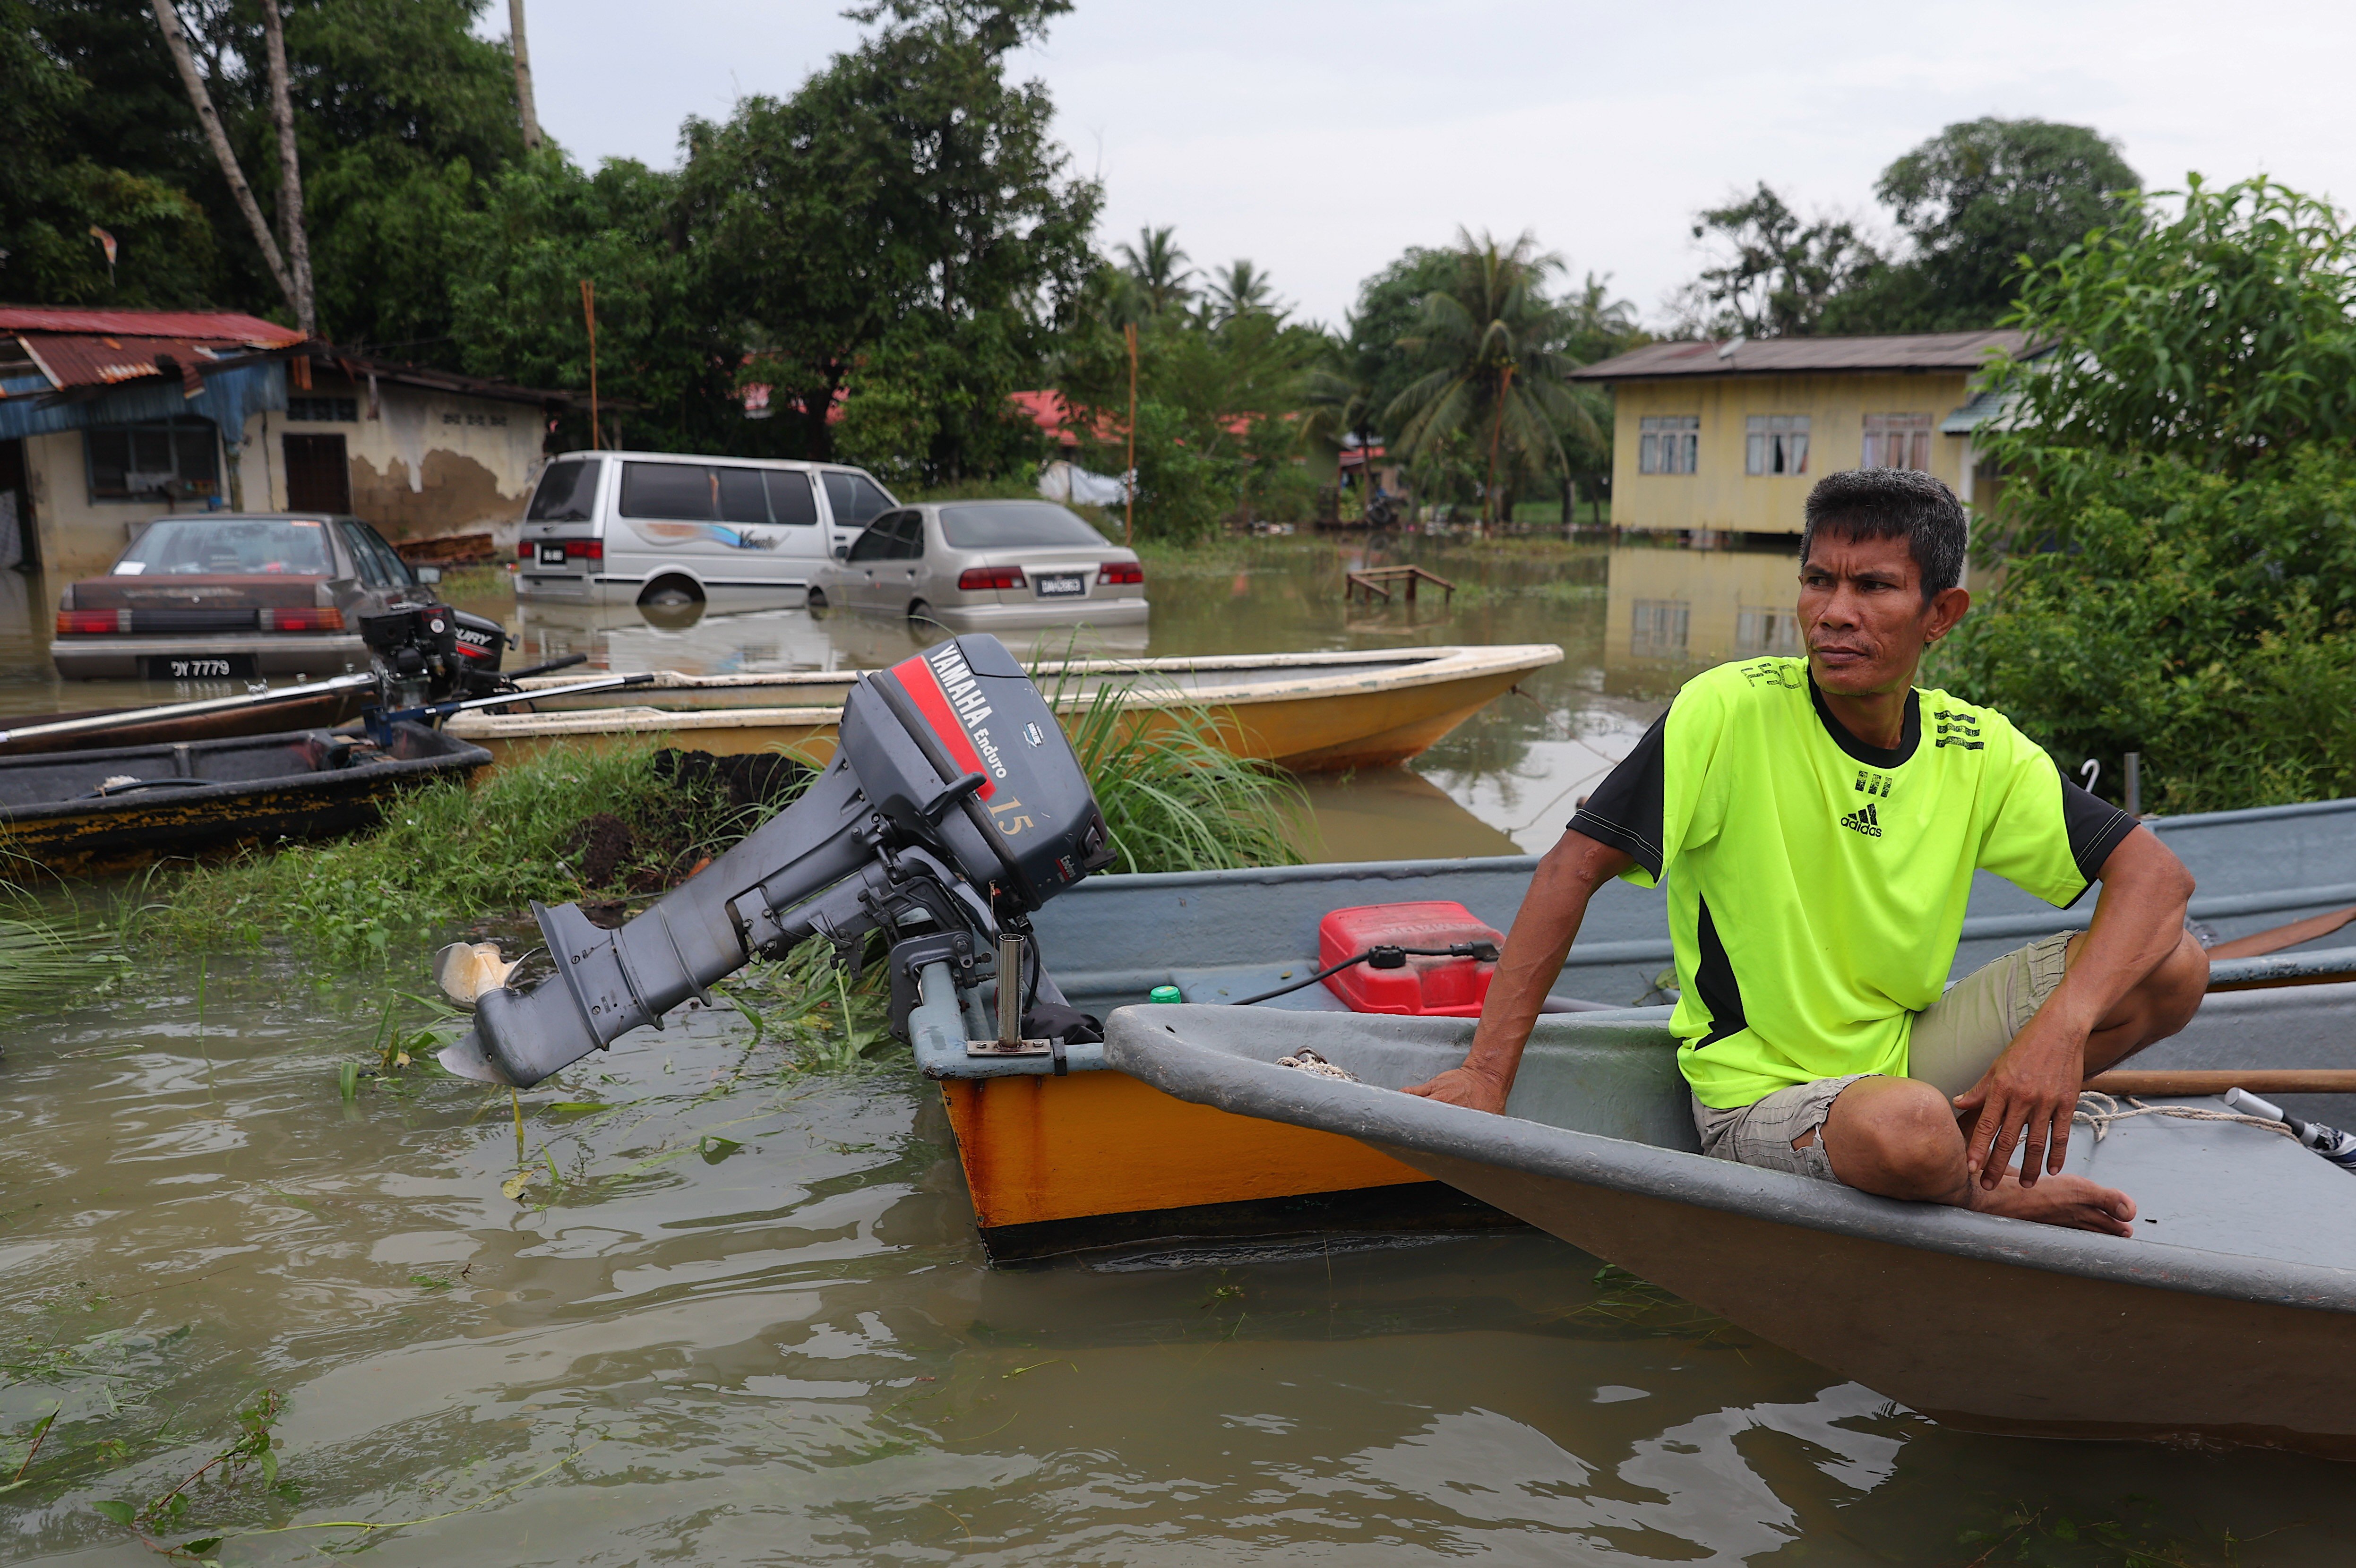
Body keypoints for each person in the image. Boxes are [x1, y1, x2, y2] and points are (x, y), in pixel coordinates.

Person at [1404, 468, 2207, 1235]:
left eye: (1873, 587)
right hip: (1760, 1094)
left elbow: (2157, 879)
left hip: (1903, 1057)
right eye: (1818, 580)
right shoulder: (1730, 712)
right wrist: (1485, 1077)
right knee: (1909, 1127)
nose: (1832, 612)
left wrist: (2057, 1035)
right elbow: (1569, 872)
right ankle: (1972, 1186)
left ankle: (1952, 1150)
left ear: (1941, 613)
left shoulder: (1976, 748)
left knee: (2173, 968)